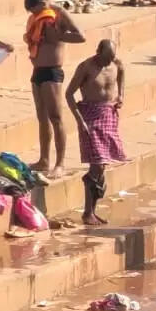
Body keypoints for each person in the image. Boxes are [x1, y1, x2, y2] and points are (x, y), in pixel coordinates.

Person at [24, 0, 85, 174]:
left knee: (56, 118)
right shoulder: (35, 20)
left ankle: (60, 164)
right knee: (42, 118)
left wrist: (61, 16)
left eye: (35, 10)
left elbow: (81, 36)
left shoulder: (57, 18)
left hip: (53, 72)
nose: (34, 15)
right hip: (37, 72)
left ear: (43, 4)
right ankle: (44, 160)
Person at [65, 40, 125, 226]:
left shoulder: (116, 64)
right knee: (97, 165)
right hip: (90, 117)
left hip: (109, 115)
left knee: (102, 166)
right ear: (97, 52)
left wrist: (121, 94)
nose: (108, 62)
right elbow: (69, 94)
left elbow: (122, 74)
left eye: (111, 58)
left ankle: (91, 210)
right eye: (105, 58)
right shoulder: (86, 67)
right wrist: (79, 120)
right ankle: (87, 212)